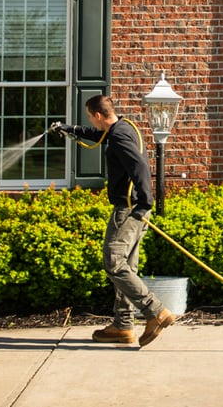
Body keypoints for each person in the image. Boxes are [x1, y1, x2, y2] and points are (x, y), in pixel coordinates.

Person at [50, 95, 175, 346]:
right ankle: (123, 325)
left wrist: (145, 202)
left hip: (129, 209)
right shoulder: (122, 127)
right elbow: (98, 135)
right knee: (127, 266)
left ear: (97, 114)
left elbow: (138, 165)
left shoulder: (117, 136)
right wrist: (70, 129)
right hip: (133, 209)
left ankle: (156, 311)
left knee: (114, 262)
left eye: (89, 117)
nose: (90, 122)